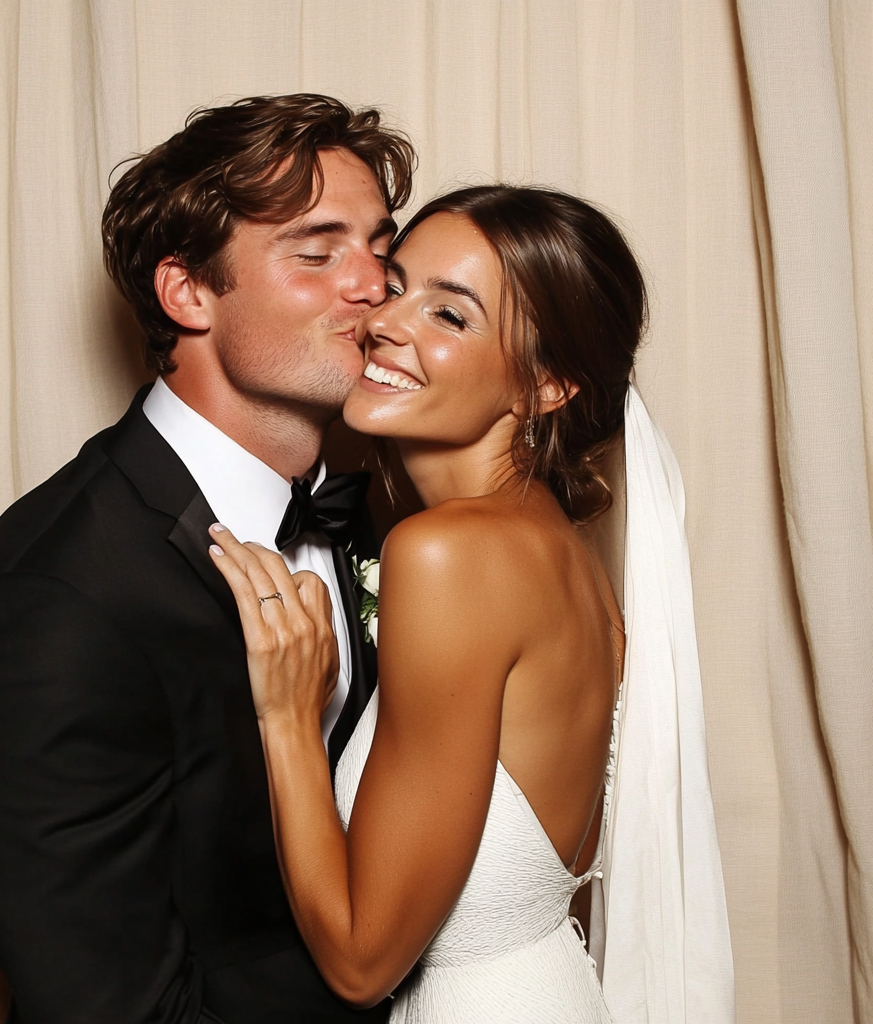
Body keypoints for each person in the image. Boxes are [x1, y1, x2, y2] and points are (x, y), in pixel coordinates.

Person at [0, 94, 415, 1024]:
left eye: (379, 247)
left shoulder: (379, 524)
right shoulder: (57, 601)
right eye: (316, 252)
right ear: (187, 291)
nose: (373, 285)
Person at [208, 186, 736, 1022]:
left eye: (450, 317)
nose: (386, 322)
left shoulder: (449, 554)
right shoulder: (553, 547)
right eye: (394, 285)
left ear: (546, 386)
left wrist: (287, 715)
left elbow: (360, 961)